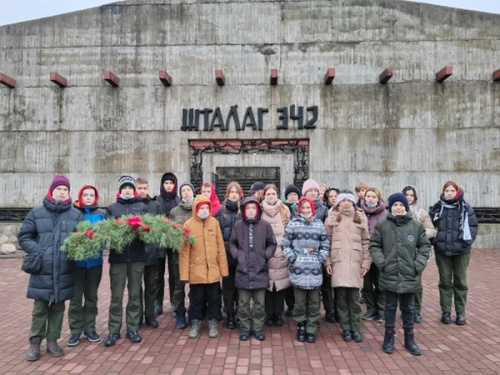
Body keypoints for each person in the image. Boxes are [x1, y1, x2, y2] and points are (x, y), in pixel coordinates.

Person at [18, 175, 83, 361]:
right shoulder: (36, 213)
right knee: (40, 307)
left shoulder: (76, 214)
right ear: (51, 191)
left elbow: (80, 239)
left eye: (65, 190)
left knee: (58, 307)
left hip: (64, 269)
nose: (62, 192)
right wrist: (39, 250)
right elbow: (24, 236)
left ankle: (53, 340)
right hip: (42, 269)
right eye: (59, 189)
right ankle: (35, 342)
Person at [370, 193, 431, 356]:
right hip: (390, 274)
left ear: (406, 207)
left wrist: (417, 265)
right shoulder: (382, 225)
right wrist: (382, 263)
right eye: (395, 205)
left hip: (409, 274)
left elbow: (425, 247)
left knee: (409, 308)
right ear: (391, 207)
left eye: (401, 205)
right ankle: (388, 338)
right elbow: (374, 245)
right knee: (389, 308)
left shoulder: (416, 225)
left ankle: (409, 339)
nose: (398, 208)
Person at [104, 176, 147, 346]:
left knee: (135, 295)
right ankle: (114, 330)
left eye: (130, 187)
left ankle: (132, 328)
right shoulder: (112, 208)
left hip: (137, 257)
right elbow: (107, 230)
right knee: (116, 296)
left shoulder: (141, 207)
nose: (127, 190)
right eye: (124, 188)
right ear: (120, 190)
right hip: (118, 258)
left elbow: (148, 231)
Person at [429, 181, 478, 325]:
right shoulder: (438, 208)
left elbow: (473, 226)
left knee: (460, 282)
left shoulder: (465, 207)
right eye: (447, 190)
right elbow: (430, 226)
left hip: (461, 252)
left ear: (457, 192)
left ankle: (460, 313)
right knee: (444, 282)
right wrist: (435, 242)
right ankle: (445, 312)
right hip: (442, 251)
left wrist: (466, 243)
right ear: (443, 192)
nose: (449, 193)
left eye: (452, 190)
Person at [180, 195, 228, 339]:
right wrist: (184, 274)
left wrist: (223, 269)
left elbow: (220, 247)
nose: (204, 210)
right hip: (196, 271)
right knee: (196, 299)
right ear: (196, 208)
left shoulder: (214, 223)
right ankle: (195, 322)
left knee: (213, 298)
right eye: (202, 207)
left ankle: (213, 321)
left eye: (207, 207)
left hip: (212, 271)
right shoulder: (188, 224)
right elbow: (184, 252)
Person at [282, 197, 329, 343]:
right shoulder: (293, 224)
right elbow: (285, 244)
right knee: (300, 301)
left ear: (312, 209)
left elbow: (325, 243)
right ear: (299, 209)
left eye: (309, 208)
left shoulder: (319, 224)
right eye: (303, 208)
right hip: (299, 269)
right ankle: (301, 324)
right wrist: (292, 258)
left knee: (314, 301)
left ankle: (311, 326)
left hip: (314, 269)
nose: (306, 210)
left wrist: (320, 258)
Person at [324, 191, 371, 343]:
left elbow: (366, 242)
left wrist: (366, 263)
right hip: (338, 262)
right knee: (341, 298)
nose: (345, 203)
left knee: (354, 298)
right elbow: (327, 241)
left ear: (352, 202)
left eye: (348, 200)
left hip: (355, 262)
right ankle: (346, 328)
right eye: (342, 200)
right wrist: (328, 262)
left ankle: (355, 328)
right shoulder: (331, 217)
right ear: (338, 202)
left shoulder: (360, 217)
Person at [230, 197, 277, 341]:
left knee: (259, 303)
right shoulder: (238, 225)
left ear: (257, 210)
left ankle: (257, 327)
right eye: (248, 208)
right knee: (243, 303)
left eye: (253, 208)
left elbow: (272, 243)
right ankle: (245, 327)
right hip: (243, 270)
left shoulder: (265, 225)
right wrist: (238, 255)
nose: (251, 210)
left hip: (260, 269)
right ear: (243, 210)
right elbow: (232, 243)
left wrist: (265, 255)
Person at [67, 184, 106, 347]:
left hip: (95, 262)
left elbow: (105, 235)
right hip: (76, 264)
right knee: (75, 298)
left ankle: (90, 327)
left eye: (91, 195)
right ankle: (75, 330)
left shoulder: (102, 214)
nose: (88, 197)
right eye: (85, 195)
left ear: (95, 197)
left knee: (91, 296)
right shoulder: (73, 213)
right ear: (80, 196)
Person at [402, 185, 436, 323]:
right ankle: (405, 309)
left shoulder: (421, 213)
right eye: (406, 195)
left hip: (416, 253)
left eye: (411, 195)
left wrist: (416, 234)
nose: (408, 197)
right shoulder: (397, 210)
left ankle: (415, 310)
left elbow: (431, 230)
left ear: (415, 197)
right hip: (401, 252)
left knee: (416, 281)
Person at [301, 178, 333, 323]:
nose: (313, 193)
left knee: (324, 285)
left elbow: (326, 234)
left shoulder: (324, 209)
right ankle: (306, 315)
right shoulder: (299, 208)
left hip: (319, 254)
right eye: (310, 190)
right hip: (303, 256)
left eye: (315, 190)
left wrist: (323, 255)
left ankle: (329, 311)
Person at [214, 181, 244, 330]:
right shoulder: (220, 212)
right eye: (231, 192)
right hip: (225, 255)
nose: (233, 194)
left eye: (236, 192)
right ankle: (230, 314)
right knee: (228, 287)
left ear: (240, 194)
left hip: (240, 255)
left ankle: (240, 312)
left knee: (240, 287)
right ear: (227, 194)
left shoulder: (243, 211)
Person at [261, 184, 291, 327]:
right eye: (268, 194)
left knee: (280, 284)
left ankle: (278, 313)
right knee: (267, 285)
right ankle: (269, 313)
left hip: (281, 251)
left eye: (273, 193)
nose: (271, 196)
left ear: (277, 195)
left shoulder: (284, 210)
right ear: (264, 196)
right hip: (265, 252)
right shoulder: (259, 210)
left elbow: (290, 229)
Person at [169, 182, 196, 329]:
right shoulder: (174, 211)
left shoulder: (198, 209)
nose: (186, 192)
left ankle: (193, 312)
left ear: (193, 192)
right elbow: (169, 232)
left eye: (188, 190)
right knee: (179, 287)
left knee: (194, 286)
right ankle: (180, 313)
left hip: (195, 254)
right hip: (179, 255)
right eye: (183, 190)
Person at [136, 177, 162, 329]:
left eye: (144, 188)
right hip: (136, 253)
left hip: (152, 252)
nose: (142, 191)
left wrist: (159, 251)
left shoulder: (155, 205)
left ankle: (150, 315)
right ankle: (137, 315)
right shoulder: (132, 205)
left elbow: (159, 229)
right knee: (136, 287)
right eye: (139, 188)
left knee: (151, 286)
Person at [359, 187, 388, 322]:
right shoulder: (359, 213)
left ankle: (381, 310)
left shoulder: (385, 214)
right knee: (366, 284)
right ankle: (371, 309)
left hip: (380, 252)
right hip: (364, 252)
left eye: (373, 197)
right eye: (368, 196)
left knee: (380, 282)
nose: (370, 199)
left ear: (378, 198)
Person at [154, 172, 179, 317]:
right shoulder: (156, 200)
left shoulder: (178, 200)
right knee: (158, 274)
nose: (168, 186)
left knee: (174, 274)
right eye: (166, 183)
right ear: (162, 185)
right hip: (159, 242)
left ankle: (174, 303)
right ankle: (157, 303)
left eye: (171, 183)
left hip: (173, 242)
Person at [282, 183, 301, 316]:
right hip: (286, 245)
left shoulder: (302, 207)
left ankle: (296, 304)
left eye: (295, 194)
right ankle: (290, 304)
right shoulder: (283, 208)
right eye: (290, 195)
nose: (293, 197)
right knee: (287, 278)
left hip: (299, 246)